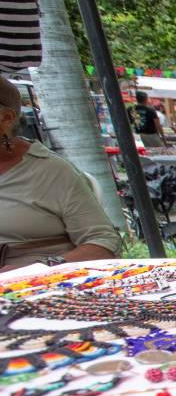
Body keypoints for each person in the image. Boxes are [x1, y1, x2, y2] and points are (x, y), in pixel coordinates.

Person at [0, 77, 120, 269]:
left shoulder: (51, 171)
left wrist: (39, 268)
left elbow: (103, 242)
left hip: (37, 284)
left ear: (6, 117)